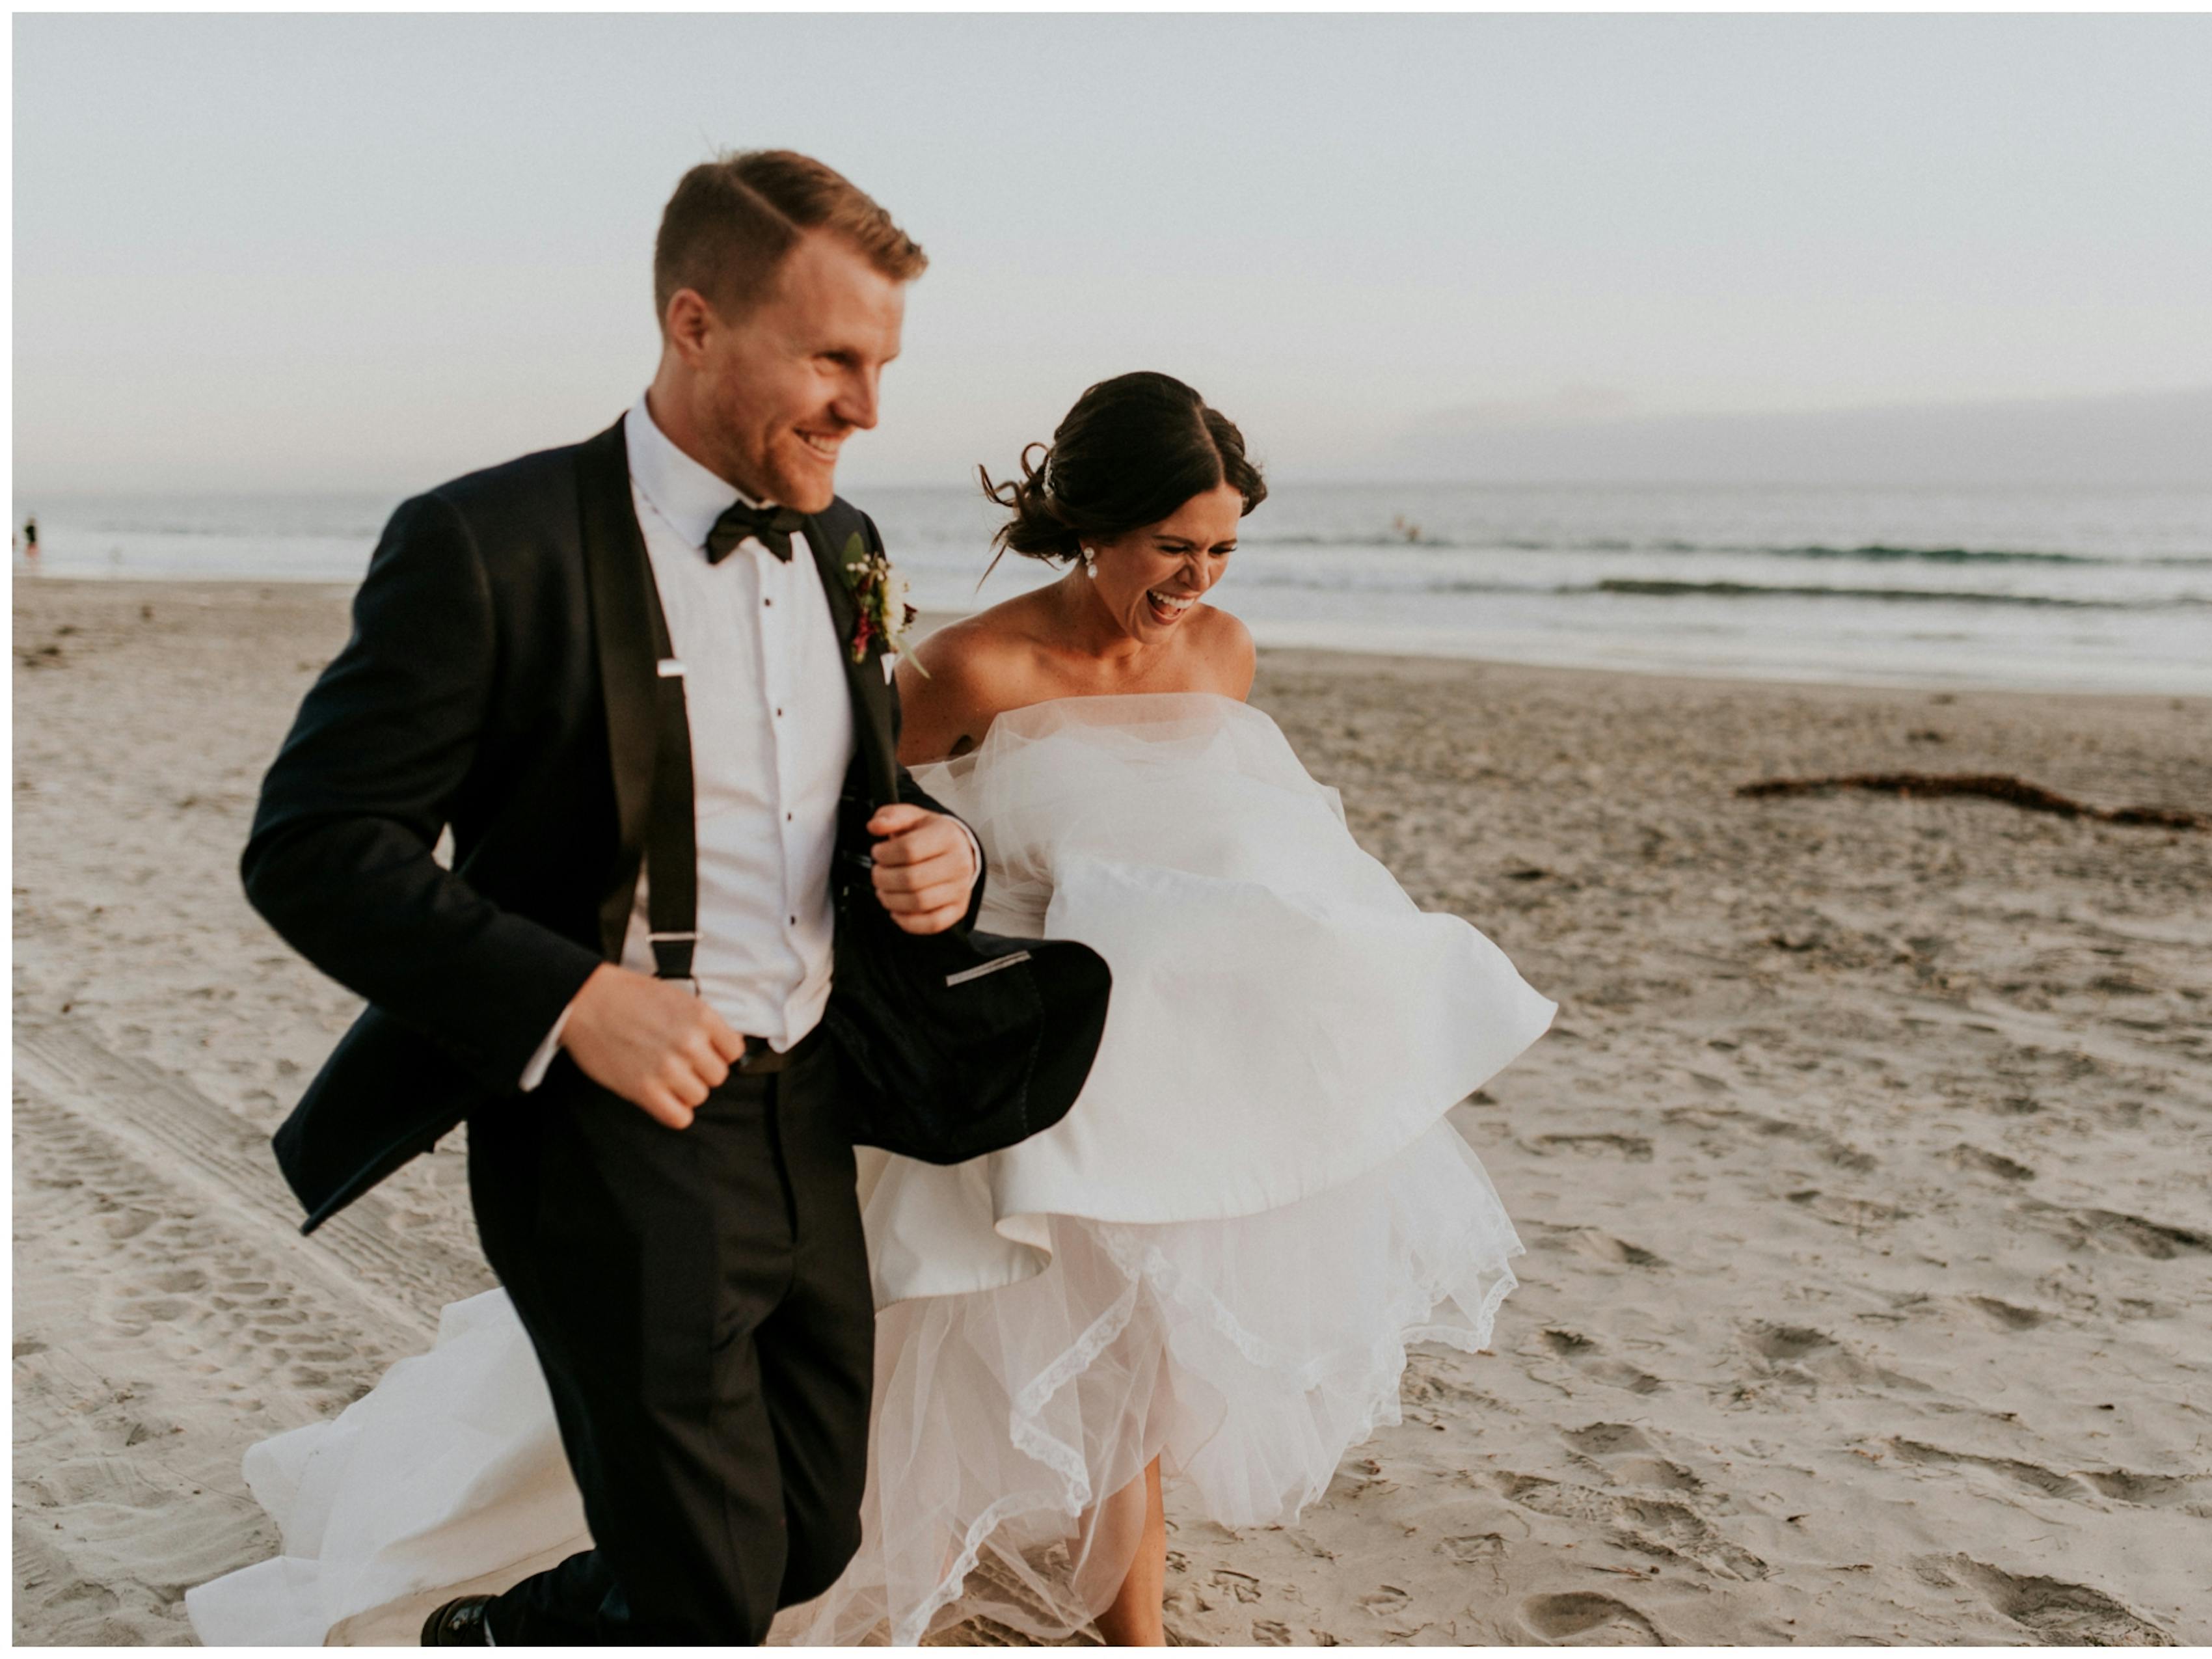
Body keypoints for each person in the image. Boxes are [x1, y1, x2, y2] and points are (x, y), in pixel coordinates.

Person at [189, 370, 1554, 1647]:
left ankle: (1127, 1630)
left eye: (1221, 551)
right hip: (1004, 1058)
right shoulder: (971, 668)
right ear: (1093, 529)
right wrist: (934, 861)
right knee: (889, 1348)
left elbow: (1235, 850)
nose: (1195, 582)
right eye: (1171, 548)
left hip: (1162, 1061)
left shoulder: (1224, 656)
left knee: (1135, 1343)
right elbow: (839, 813)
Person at [202, 151, 997, 1647]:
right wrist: (574, 1000)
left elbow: (850, 792)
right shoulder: (486, 545)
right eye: (831, 359)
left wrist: (935, 854)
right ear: (694, 324)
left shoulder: (846, 546)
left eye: (882, 366)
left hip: (808, 1105)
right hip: (603, 1137)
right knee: (708, 1594)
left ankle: (499, 1637)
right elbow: (313, 845)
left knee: (809, 1536)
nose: (867, 409)